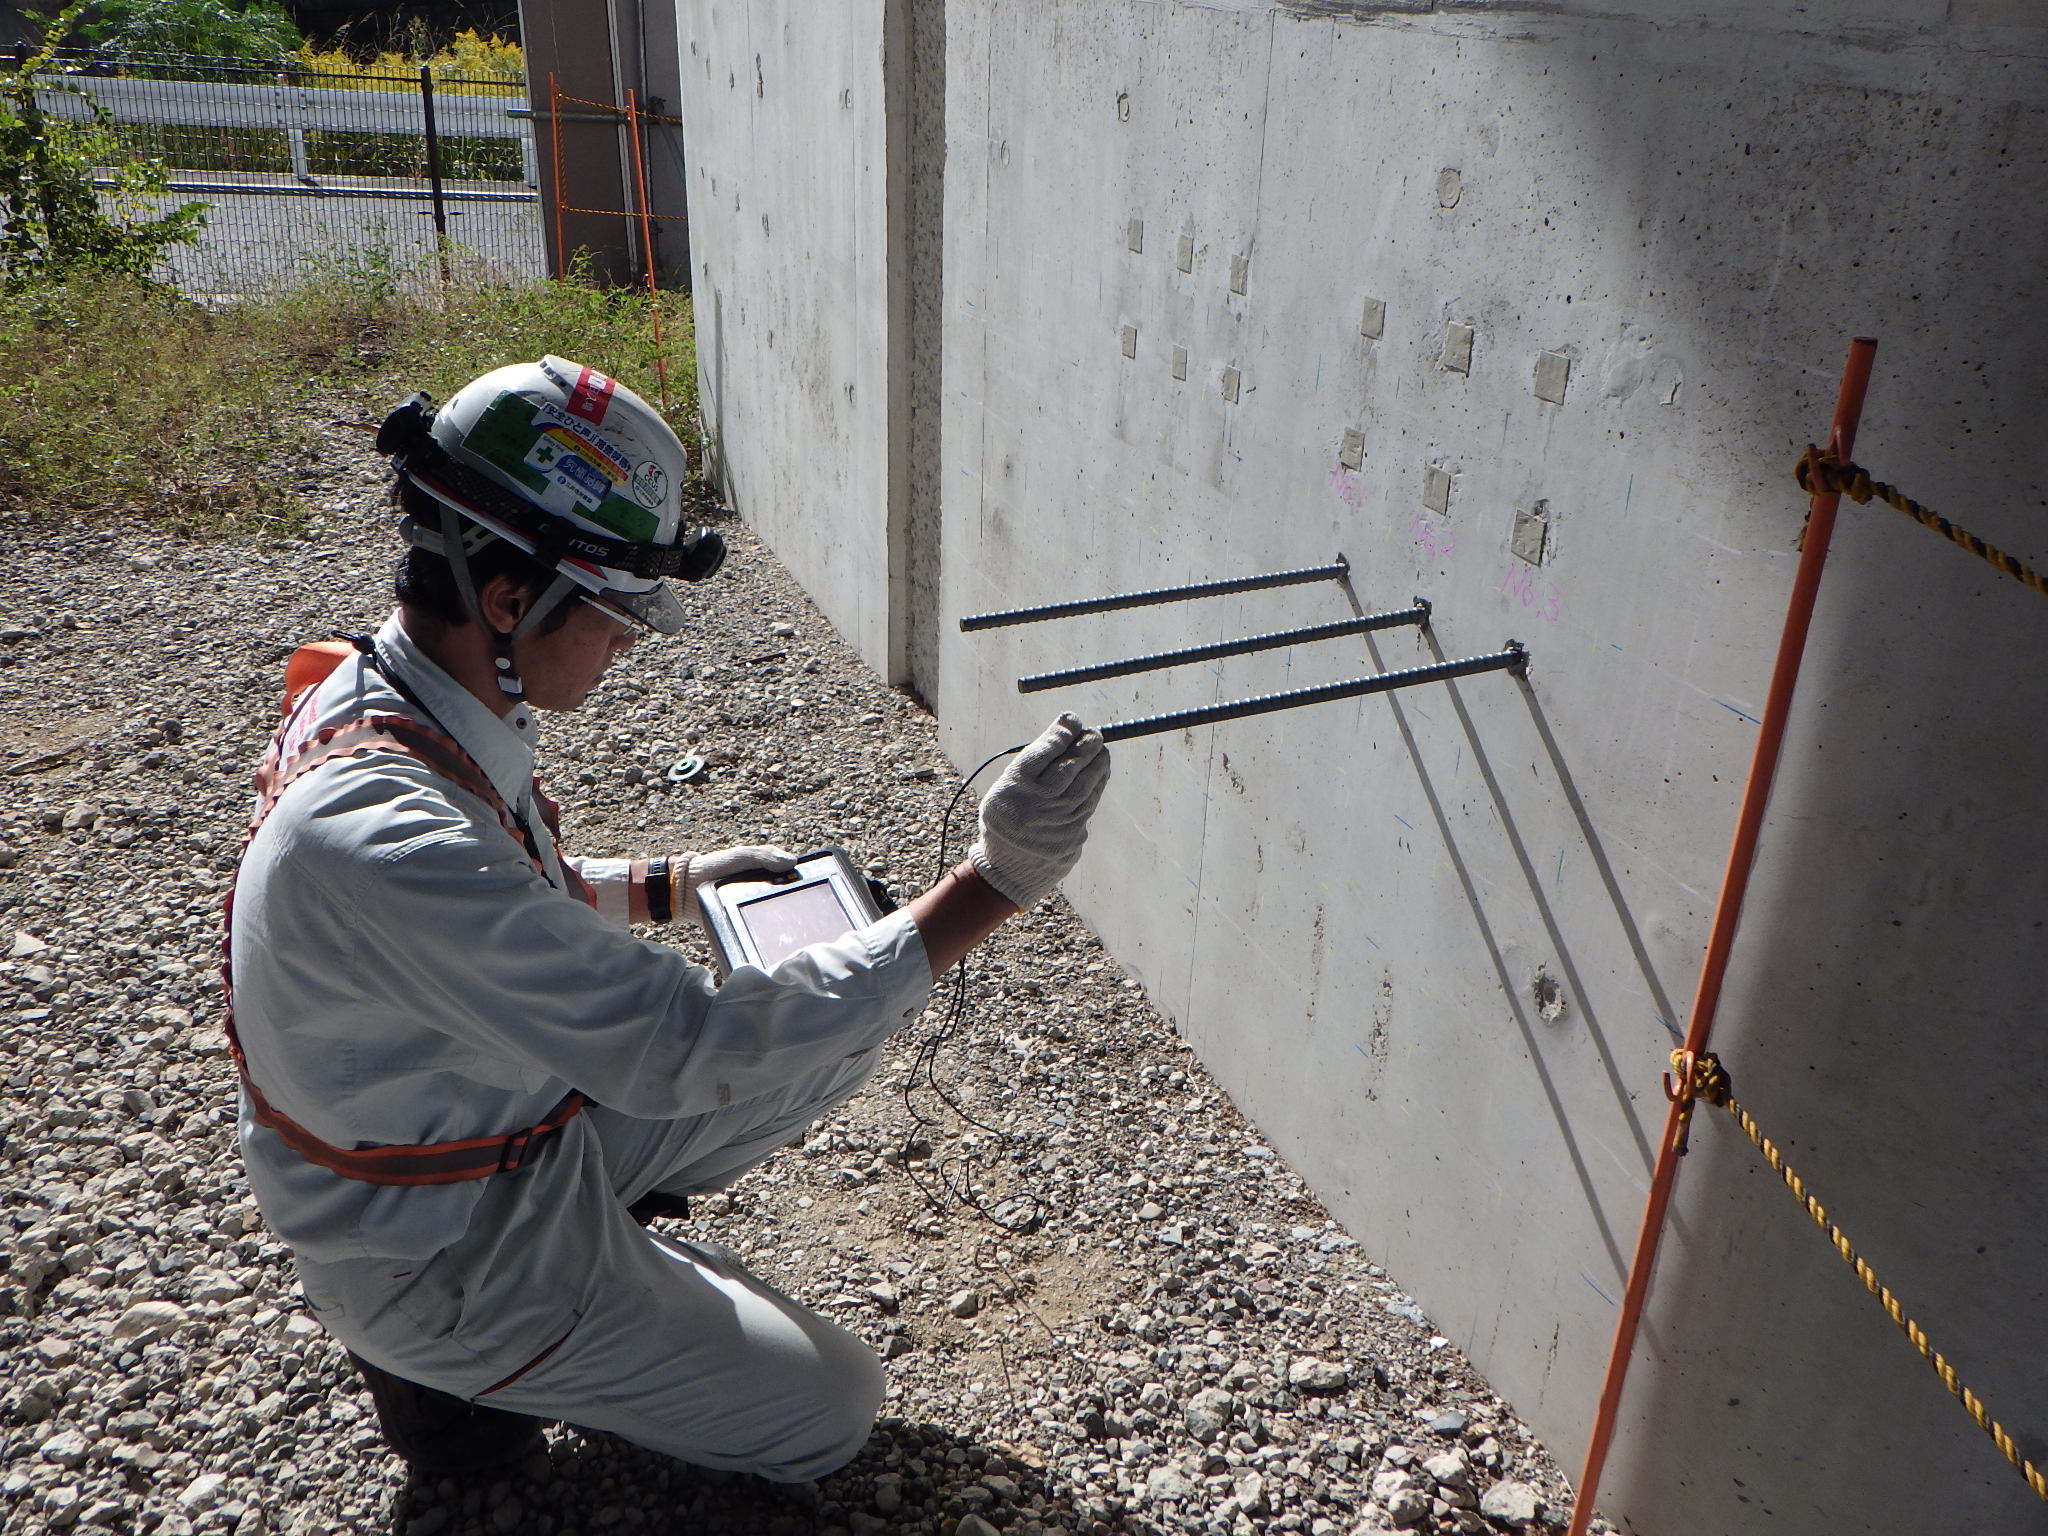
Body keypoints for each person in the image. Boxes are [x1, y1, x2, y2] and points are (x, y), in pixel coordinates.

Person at [226, 356, 1110, 1483]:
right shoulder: (382, 837)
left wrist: (674, 883)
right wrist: (993, 881)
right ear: (507, 600)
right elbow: (686, 1049)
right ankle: (448, 1376)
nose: (626, 643)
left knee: (846, 1006)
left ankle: (599, 1294)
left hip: (483, 1135)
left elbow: (499, 892)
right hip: (434, 1245)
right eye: (607, 613)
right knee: (832, 1408)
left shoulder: (382, 695)